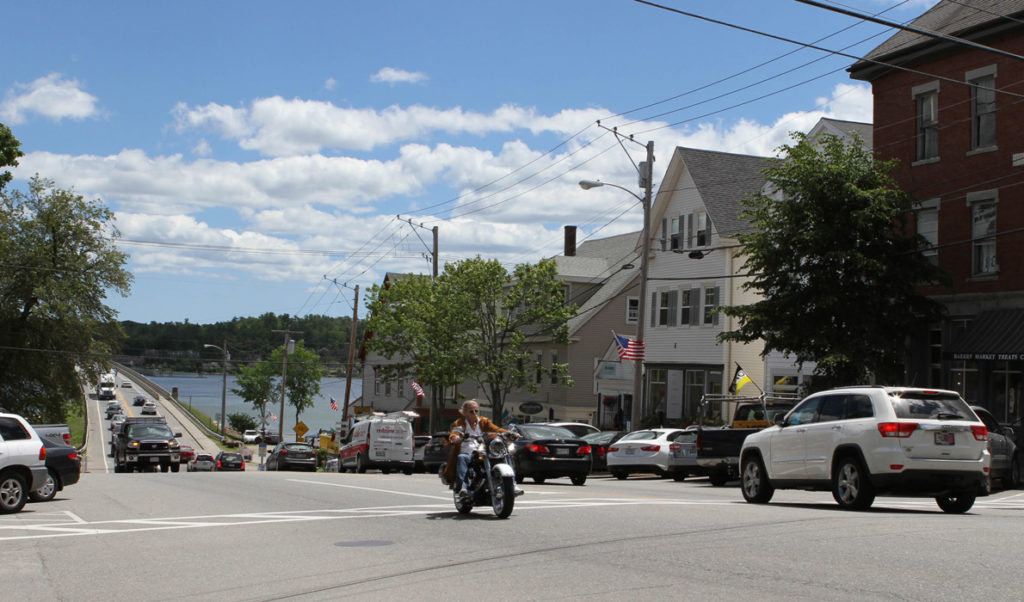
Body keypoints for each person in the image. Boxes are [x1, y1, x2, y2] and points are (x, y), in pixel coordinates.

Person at [442, 399, 517, 498]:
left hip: (484, 450)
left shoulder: (484, 421)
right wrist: (456, 438)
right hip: (468, 452)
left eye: (476, 411)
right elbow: (453, 434)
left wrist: (510, 433)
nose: (474, 413)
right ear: (464, 412)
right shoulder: (459, 423)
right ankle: (463, 487)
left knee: (505, 455)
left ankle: (513, 485)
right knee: (461, 458)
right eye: (471, 411)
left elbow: (496, 429)